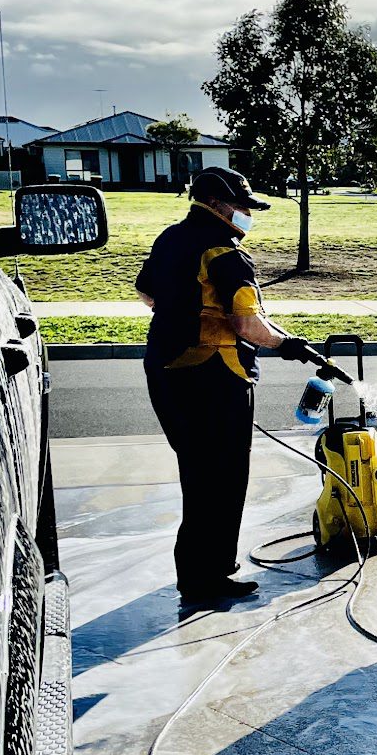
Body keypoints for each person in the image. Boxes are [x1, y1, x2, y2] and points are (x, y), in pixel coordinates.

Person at [136, 168, 318, 608]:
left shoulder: (171, 238)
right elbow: (246, 323)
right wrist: (286, 343)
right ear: (217, 204)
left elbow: (145, 292)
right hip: (216, 377)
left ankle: (198, 571)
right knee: (223, 478)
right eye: (241, 207)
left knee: (196, 474)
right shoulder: (226, 252)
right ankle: (209, 578)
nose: (245, 216)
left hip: (165, 370)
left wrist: (186, 316)